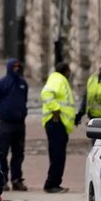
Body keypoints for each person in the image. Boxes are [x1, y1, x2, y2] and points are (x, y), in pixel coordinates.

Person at [0, 59, 29, 191]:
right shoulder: (1, 84)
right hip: (6, 123)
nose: (17, 69)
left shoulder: (23, 84)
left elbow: (24, 100)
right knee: (2, 152)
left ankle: (17, 179)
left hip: (19, 124)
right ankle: (3, 179)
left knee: (18, 153)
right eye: (14, 67)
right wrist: (2, 112)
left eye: (18, 66)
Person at [41, 63, 75, 193]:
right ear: (66, 71)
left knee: (58, 155)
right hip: (56, 122)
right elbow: (46, 93)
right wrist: (55, 109)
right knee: (57, 156)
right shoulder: (58, 79)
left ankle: (54, 183)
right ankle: (51, 184)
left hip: (59, 123)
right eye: (69, 71)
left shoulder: (59, 79)